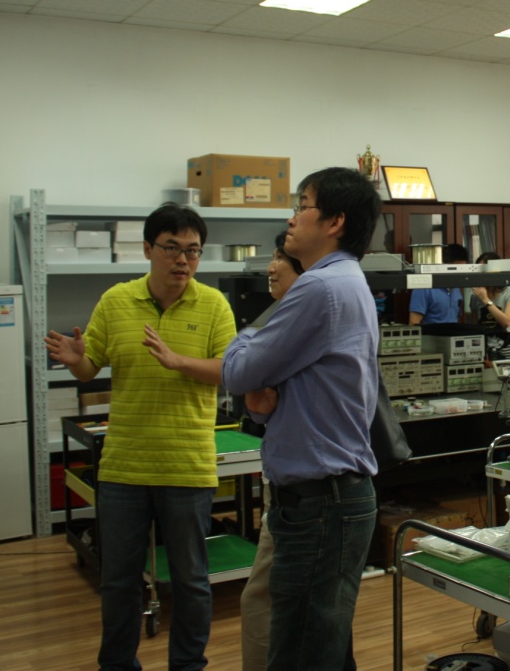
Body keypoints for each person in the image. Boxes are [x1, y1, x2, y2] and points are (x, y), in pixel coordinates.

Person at [44, 203, 235, 671]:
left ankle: (187, 665)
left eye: (193, 251)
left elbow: (229, 372)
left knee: (191, 579)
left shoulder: (214, 305)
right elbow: (91, 366)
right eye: (172, 248)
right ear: (148, 249)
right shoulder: (116, 301)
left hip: (186, 464)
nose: (183, 261)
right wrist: (77, 361)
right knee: (118, 580)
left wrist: (177, 361)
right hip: (124, 465)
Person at [221, 167, 381, 671]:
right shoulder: (345, 281)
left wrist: (248, 333)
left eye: (302, 205)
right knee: (321, 646)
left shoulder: (319, 288)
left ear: (335, 221)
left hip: (320, 504)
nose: (291, 219)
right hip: (326, 499)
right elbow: (267, 396)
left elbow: (238, 371)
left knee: (301, 652)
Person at [241, 232, 304, 671]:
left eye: (281, 258)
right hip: (285, 483)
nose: (270, 266)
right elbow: (260, 401)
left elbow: (240, 371)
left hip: (306, 492)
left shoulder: (298, 320)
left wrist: (242, 350)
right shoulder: (282, 318)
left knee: (264, 600)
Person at [470, 251, 510, 361]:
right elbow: (475, 327)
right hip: (485, 351)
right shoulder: (475, 296)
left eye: (484, 271)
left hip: (508, 350)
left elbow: (506, 322)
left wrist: (485, 300)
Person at [408, 243, 468, 325]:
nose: (460, 273)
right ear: (443, 265)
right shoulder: (423, 288)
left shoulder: (456, 288)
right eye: (457, 269)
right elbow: (414, 322)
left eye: (463, 269)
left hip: (454, 332)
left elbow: (456, 318)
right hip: (431, 332)